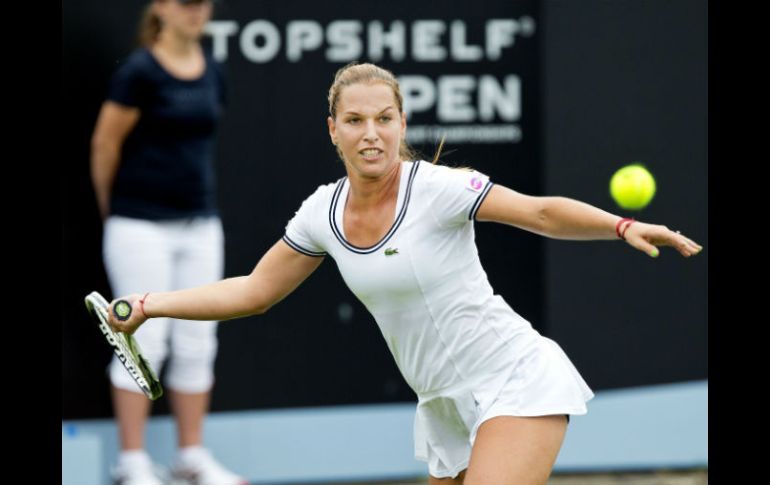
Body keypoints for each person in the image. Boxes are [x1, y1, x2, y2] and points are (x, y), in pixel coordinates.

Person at [106, 63, 703, 485]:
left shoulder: (439, 189)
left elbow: (541, 212)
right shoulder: (321, 212)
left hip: (514, 380)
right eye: (357, 120)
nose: (372, 134)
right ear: (333, 129)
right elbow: (255, 291)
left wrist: (623, 227)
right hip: (442, 404)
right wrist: (155, 303)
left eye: (385, 119)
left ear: (401, 123)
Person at [89, 1, 247, 484]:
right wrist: (115, 213)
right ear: (160, 6)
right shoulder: (139, 71)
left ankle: (191, 458)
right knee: (141, 339)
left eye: (203, 3)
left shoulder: (213, 72)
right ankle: (132, 464)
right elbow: (104, 145)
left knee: (198, 340)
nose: (197, 11)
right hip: (138, 227)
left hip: (200, 225)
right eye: (185, 2)